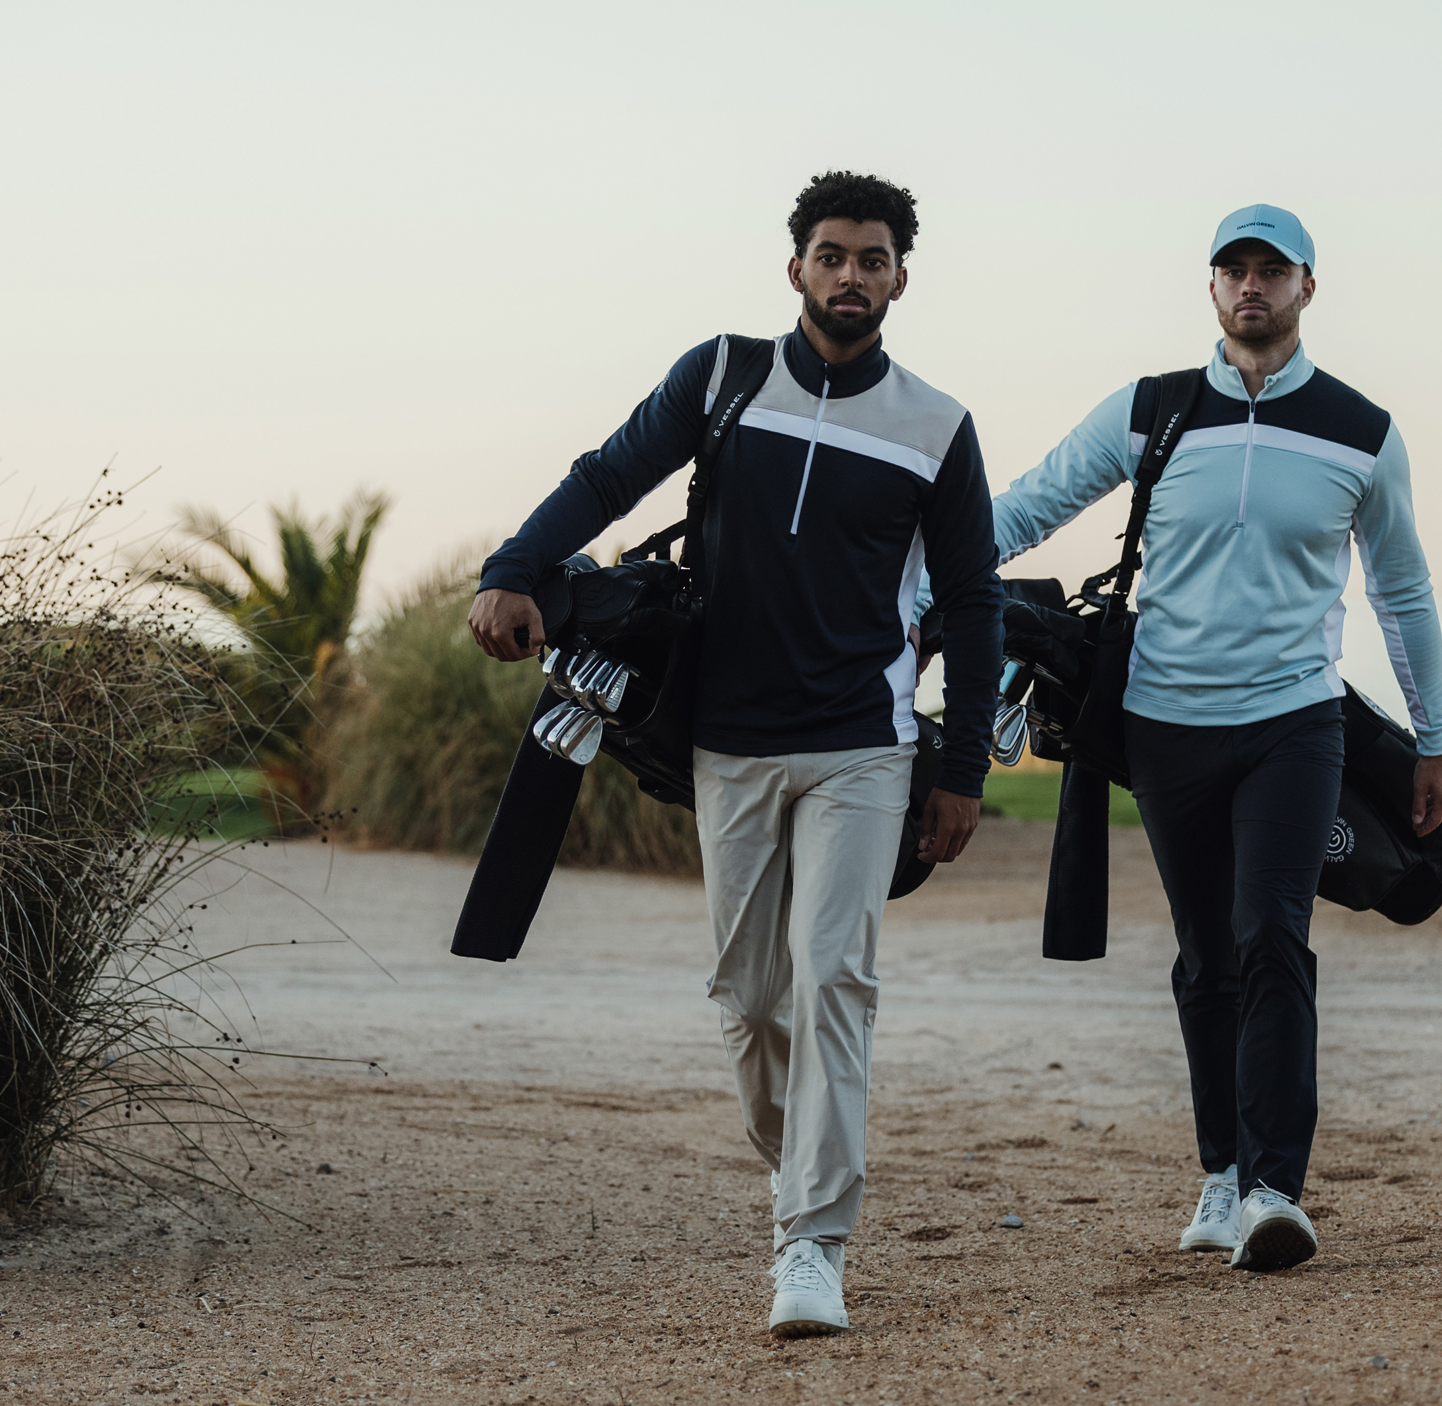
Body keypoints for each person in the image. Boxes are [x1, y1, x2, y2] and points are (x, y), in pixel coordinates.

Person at [465, 171, 1004, 1336]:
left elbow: (972, 602)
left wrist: (961, 767)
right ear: (795, 266)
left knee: (834, 977)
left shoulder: (936, 426)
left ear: (901, 277)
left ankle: (811, 1241)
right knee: (750, 995)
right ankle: (796, 1164)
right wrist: (512, 565)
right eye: (830, 253)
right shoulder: (720, 376)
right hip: (732, 742)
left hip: (865, 744)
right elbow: (607, 476)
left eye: (871, 258)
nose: (849, 274)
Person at [983, 204, 1442, 1273]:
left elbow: (1403, 587)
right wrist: (922, 578)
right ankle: (1219, 1171)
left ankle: (1273, 1187)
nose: (1252, 286)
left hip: (1293, 721)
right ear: (1211, 288)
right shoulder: (1151, 410)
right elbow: (1026, 507)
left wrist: (1437, 736)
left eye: (1272, 271)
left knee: (1269, 934)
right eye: (1234, 270)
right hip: (1164, 726)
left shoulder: (1358, 429)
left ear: (1305, 289)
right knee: (1205, 956)